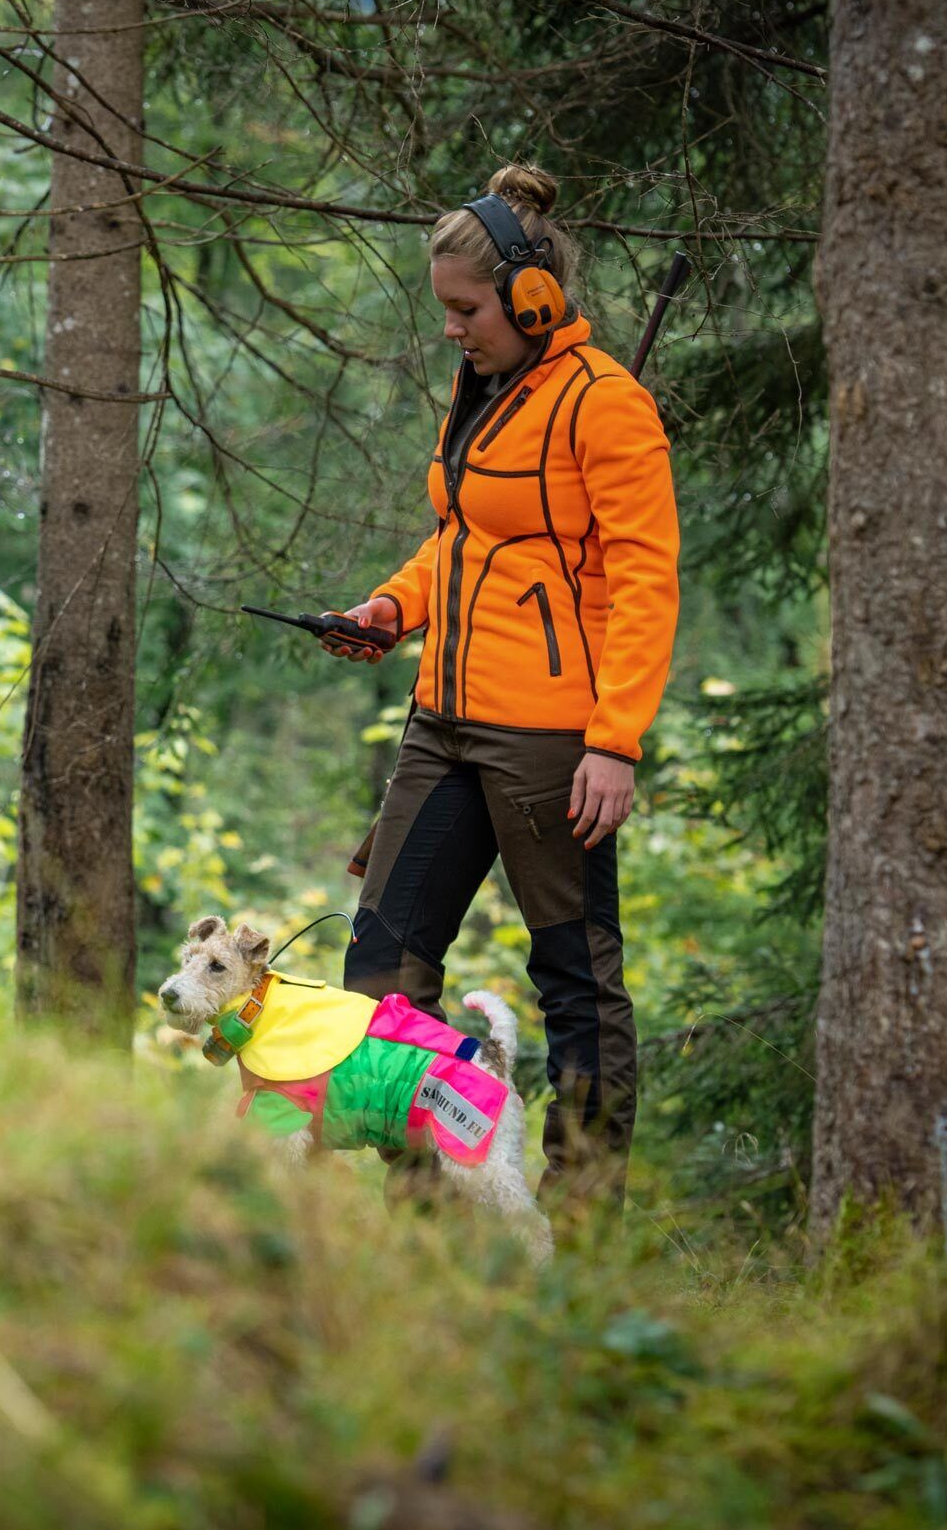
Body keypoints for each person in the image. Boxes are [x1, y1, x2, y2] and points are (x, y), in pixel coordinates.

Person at [325, 162, 680, 1222]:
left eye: (464, 308)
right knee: (380, 965)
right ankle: (423, 1217)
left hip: (549, 742)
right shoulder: (482, 391)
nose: (452, 329)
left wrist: (613, 740)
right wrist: (390, 608)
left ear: (531, 299)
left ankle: (582, 1230)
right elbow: (465, 541)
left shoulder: (606, 406)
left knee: (574, 980)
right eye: (444, 309)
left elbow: (646, 580)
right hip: (443, 722)